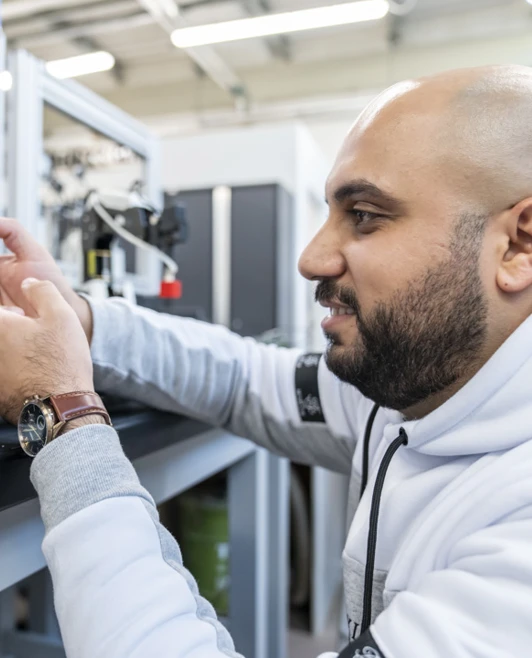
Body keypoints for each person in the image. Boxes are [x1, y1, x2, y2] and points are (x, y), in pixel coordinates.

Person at [0, 63, 532, 658]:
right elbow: (241, 378)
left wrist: (64, 412)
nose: (311, 258)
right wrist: (80, 319)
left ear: (518, 244)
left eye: (364, 215)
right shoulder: (426, 387)